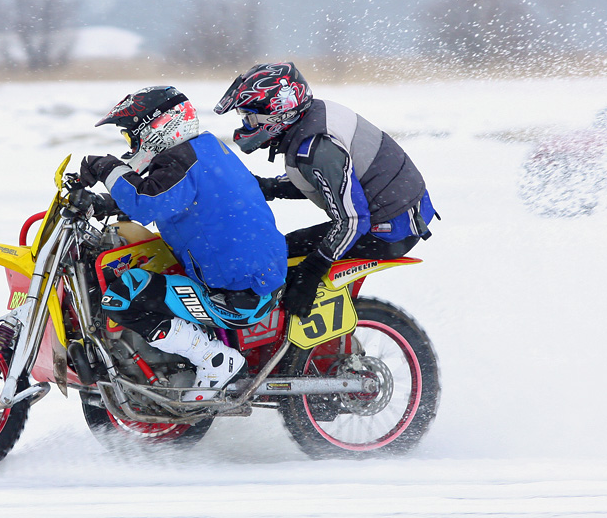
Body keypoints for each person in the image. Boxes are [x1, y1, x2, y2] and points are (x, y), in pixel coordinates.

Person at [79, 85, 287, 401]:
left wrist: (104, 167)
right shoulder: (203, 150)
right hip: (251, 282)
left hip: (237, 297)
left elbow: (146, 202)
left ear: (156, 127)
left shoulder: (181, 161)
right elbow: (173, 199)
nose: (131, 147)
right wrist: (108, 203)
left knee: (124, 296)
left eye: (131, 136)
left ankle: (215, 359)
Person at [214, 62, 438, 319]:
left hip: (392, 228)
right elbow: (327, 181)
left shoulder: (316, 146)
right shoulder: (312, 118)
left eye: (249, 118)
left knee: (285, 258)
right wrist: (269, 187)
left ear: (277, 114)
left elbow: (353, 220)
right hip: (395, 211)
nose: (245, 125)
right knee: (285, 251)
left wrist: (312, 270)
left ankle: (299, 333)